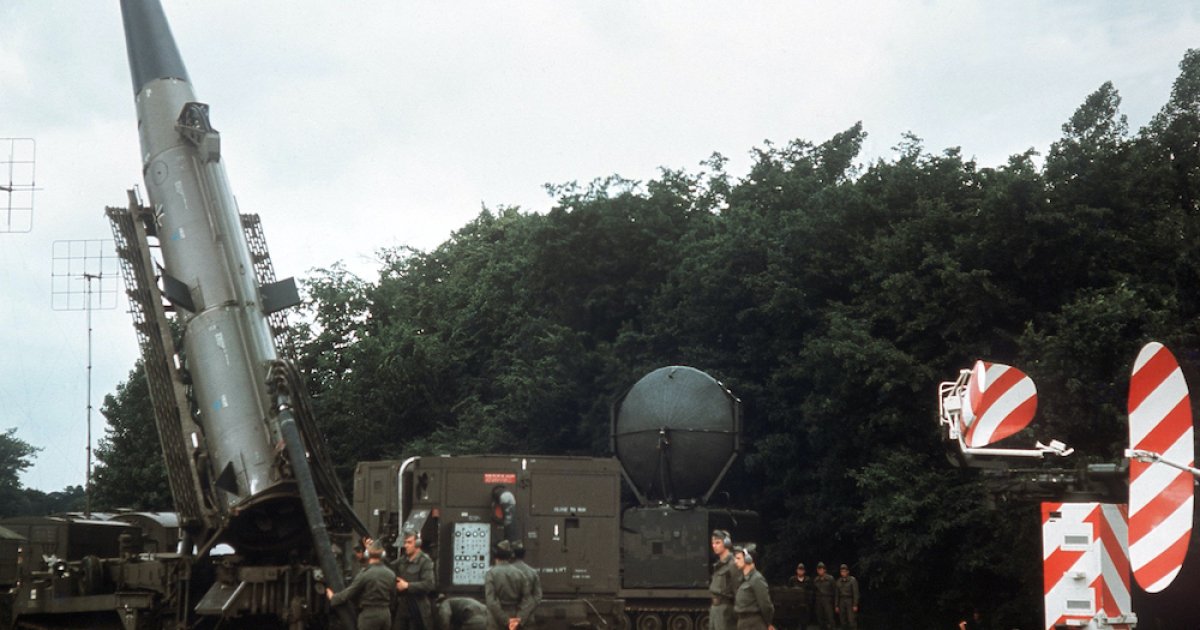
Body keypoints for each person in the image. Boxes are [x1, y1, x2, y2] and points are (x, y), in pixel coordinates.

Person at [327, 540, 397, 630]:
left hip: (369, 616)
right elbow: (393, 597)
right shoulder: (391, 574)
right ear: (383, 555)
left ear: (367, 555)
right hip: (386, 615)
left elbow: (350, 592)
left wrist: (333, 598)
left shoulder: (365, 574)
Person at [485, 540, 536, 630]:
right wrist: (518, 619)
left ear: (495, 556)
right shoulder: (519, 573)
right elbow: (528, 599)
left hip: (496, 620)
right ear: (509, 556)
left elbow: (491, 601)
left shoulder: (491, 574)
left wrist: (506, 620)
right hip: (515, 615)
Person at [392, 530, 436, 630]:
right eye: (405, 543)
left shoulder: (425, 561)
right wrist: (373, 551)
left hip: (418, 607)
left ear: (417, 543)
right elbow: (389, 567)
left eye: (409, 542)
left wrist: (407, 586)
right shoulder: (403, 560)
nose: (406, 546)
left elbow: (429, 584)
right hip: (403, 606)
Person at [732, 546, 774, 630]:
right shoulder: (744, 579)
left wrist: (768, 623)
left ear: (748, 559)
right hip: (743, 622)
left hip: (754, 624)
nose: (735, 561)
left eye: (738, 558)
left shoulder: (756, 579)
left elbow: (765, 605)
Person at [708, 529, 740, 630]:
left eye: (718, 542)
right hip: (715, 609)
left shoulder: (732, 564)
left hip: (726, 610)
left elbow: (738, 590)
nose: (714, 546)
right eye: (713, 543)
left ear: (726, 543)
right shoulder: (718, 565)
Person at [511, 541, 543, 626]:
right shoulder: (532, 572)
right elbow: (538, 596)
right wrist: (523, 614)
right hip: (527, 618)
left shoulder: (505, 572)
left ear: (512, 554)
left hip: (508, 619)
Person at [786, 562, 813, 629]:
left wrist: (809, 603)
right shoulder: (792, 579)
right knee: (793, 624)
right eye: (799, 570)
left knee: (804, 623)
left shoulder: (808, 580)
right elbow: (789, 591)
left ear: (804, 571)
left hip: (804, 605)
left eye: (802, 570)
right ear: (796, 570)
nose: (800, 571)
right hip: (794, 605)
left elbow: (811, 592)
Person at [833, 565, 859, 630]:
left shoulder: (852, 580)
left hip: (850, 600)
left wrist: (855, 604)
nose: (843, 573)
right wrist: (836, 605)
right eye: (842, 571)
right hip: (841, 600)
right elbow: (837, 594)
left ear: (847, 572)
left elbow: (855, 593)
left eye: (844, 571)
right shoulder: (838, 581)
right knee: (842, 619)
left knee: (851, 619)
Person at [811, 563, 835, 630]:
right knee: (820, 617)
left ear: (824, 570)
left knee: (830, 617)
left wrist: (833, 601)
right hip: (819, 600)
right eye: (818, 570)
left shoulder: (830, 579)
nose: (820, 571)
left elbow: (834, 590)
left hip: (828, 599)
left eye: (821, 569)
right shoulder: (816, 579)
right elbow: (814, 590)